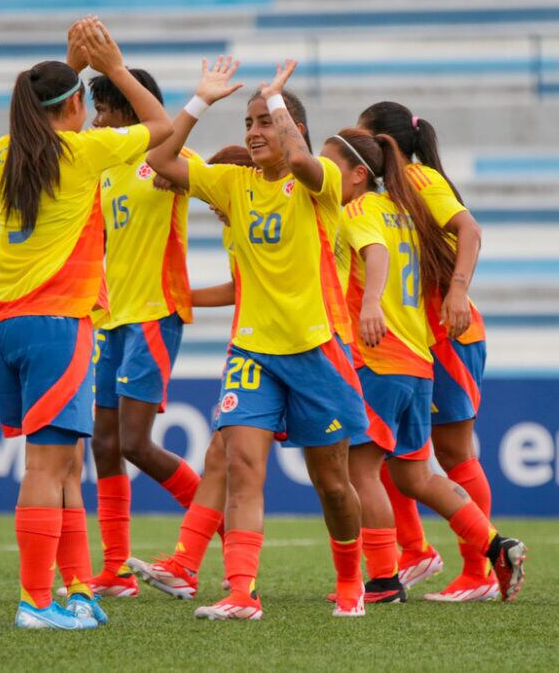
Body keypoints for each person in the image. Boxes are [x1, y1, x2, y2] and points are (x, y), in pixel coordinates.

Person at [148, 58, 369, 620]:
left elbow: (300, 159)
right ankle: (242, 592)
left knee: (332, 485)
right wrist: (201, 101)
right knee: (242, 467)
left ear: (291, 127)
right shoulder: (234, 184)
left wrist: (274, 97)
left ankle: (352, 580)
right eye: (248, 123)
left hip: (317, 350)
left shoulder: (321, 183)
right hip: (252, 351)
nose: (253, 131)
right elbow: (161, 160)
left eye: (264, 122)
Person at [0, 18, 172, 630]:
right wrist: (113, 67)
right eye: (83, 102)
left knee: (63, 464)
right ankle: (36, 602)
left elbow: (37, 110)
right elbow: (162, 126)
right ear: (73, 107)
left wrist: (71, 69)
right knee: (47, 467)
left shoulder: (2, 153)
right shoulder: (83, 153)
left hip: (5, 323)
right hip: (55, 322)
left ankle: (76, 588)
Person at [321, 129, 527, 604]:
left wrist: (370, 303)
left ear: (358, 174)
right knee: (414, 476)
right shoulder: (403, 211)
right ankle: (496, 546)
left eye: (330, 166)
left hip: (379, 357)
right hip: (418, 361)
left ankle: (384, 579)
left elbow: (375, 255)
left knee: (360, 470)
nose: (324, 174)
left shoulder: (358, 210)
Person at [358, 102, 496, 601]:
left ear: (384, 142)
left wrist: (457, 293)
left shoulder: (419, 180)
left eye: (364, 136)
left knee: (454, 453)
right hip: (417, 337)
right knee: (389, 452)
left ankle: (480, 571)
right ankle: (414, 551)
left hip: (449, 334)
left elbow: (470, 230)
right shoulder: (385, 195)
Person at [86, 67, 201, 597]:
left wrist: (193, 182)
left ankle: (216, 525)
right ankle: (116, 570)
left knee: (134, 443)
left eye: (104, 110)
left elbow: (223, 189)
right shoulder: (106, 169)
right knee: (104, 445)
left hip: (155, 313)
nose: (95, 120)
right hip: (112, 320)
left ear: (130, 111)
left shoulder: (171, 160)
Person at [129, 145, 256, 599]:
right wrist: (184, 295)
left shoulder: (271, 215)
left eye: (215, 195)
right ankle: (185, 565)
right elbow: (243, 287)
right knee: (220, 456)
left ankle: (386, 565)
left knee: (342, 469)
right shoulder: (237, 227)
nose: (212, 205)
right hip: (254, 351)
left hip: (304, 350)